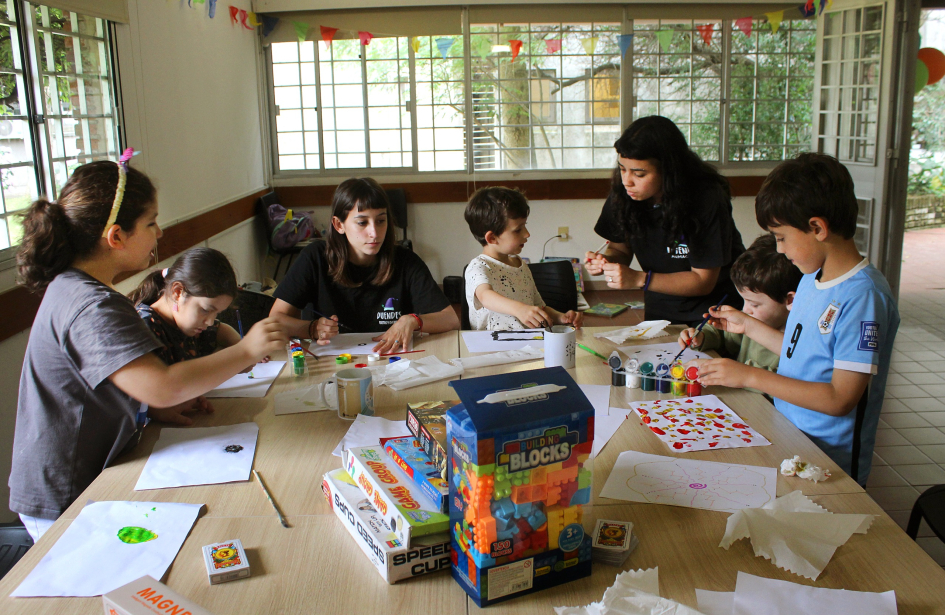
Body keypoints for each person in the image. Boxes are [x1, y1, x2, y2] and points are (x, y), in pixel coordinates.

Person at [10, 154, 287, 541]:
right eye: (151, 222)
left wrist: (153, 406)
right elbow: (163, 383)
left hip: (83, 477)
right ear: (116, 236)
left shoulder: (82, 290)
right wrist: (245, 351)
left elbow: (133, 388)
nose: (159, 234)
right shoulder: (92, 305)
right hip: (65, 492)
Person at [695, 153, 899, 485]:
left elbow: (839, 399)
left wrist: (749, 376)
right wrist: (748, 325)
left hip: (830, 461)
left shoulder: (864, 297)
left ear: (817, 228)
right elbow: (799, 352)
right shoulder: (810, 278)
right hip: (790, 435)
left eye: (781, 238)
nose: (779, 249)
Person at [585, 115, 745, 325]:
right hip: (660, 310)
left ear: (668, 171)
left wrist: (639, 279)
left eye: (639, 174)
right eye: (622, 169)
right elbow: (620, 249)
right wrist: (607, 263)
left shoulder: (706, 199)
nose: (627, 181)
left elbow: (702, 281)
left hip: (713, 314)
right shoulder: (624, 194)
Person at [270, 177, 459, 353]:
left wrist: (414, 320)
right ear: (338, 225)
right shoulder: (315, 258)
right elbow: (275, 320)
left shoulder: (405, 261)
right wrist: (310, 328)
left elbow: (450, 319)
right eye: (362, 222)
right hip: (333, 359)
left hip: (391, 361)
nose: (374, 233)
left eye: (381, 221)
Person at [678, 234, 801, 383]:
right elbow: (724, 336)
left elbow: (784, 385)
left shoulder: (798, 342)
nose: (745, 310)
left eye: (754, 304)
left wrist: (739, 373)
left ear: (790, 300)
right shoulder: (754, 319)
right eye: (744, 301)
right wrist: (701, 336)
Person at [463, 187, 583, 330]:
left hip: (528, 345)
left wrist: (561, 317)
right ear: (492, 238)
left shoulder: (520, 265)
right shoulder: (478, 267)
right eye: (518, 230)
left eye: (525, 226)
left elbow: (538, 308)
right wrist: (519, 309)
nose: (527, 234)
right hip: (491, 347)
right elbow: (485, 296)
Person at [130, 247, 244, 366]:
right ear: (178, 292)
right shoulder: (143, 328)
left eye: (217, 313)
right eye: (206, 310)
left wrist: (242, 347)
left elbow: (219, 330)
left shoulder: (187, 323)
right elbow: (170, 382)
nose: (210, 322)